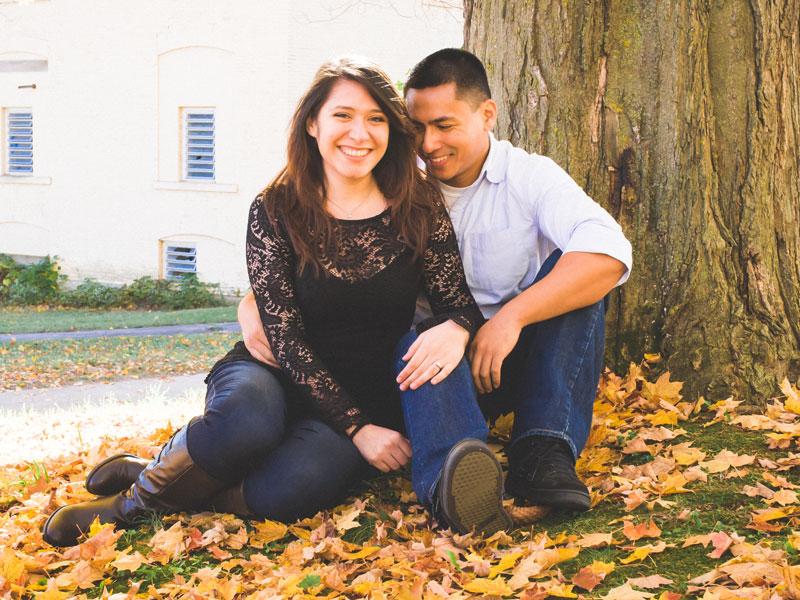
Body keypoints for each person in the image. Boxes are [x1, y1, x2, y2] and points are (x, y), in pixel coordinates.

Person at [41, 56, 512, 548]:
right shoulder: (276, 208)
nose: (360, 133)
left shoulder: (418, 204)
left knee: (296, 487)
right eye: (343, 115)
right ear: (313, 123)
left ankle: (182, 473)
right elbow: (284, 337)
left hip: (362, 390)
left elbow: (457, 302)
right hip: (273, 371)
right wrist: (358, 431)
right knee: (247, 422)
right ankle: (134, 502)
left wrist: (456, 328)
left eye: (376, 119)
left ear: (393, 131)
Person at [236, 49, 633, 515]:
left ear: (487, 114)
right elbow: (315, 262)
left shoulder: (529, 178)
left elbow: (609, 253)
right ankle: (453, 484)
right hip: (421, 369)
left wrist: (510, 319)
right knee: (421, 344)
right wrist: (250, 303)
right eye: (416, 128)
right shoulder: (392, 181)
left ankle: (544, 454)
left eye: (444, 126)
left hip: (509, 356)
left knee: (579, 278)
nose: (427, 144)